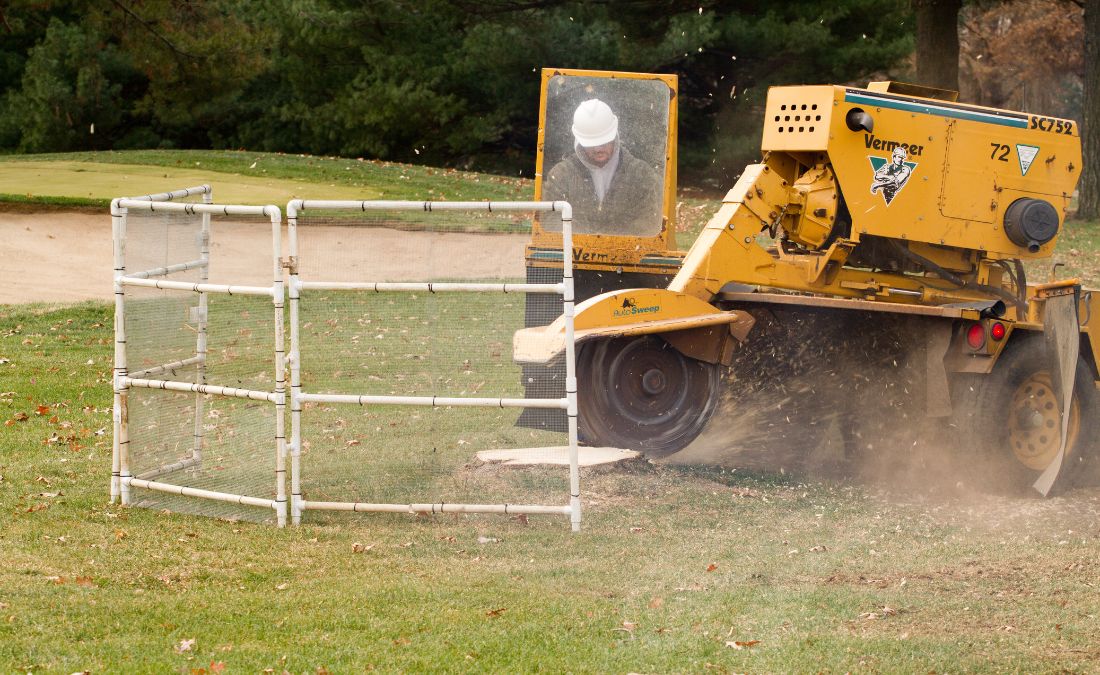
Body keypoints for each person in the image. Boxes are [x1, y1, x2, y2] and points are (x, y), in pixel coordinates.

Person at [542, 98, 663, 235]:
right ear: (580, 141)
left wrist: (613, 241)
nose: (598, 149)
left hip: (628, 253)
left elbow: (650, 220)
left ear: (614, 136)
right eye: (592, 144)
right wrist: (584, 240)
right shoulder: (560, 174)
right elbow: (550, 219)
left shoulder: (641, 174)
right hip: (573, 252)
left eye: (604, 142)